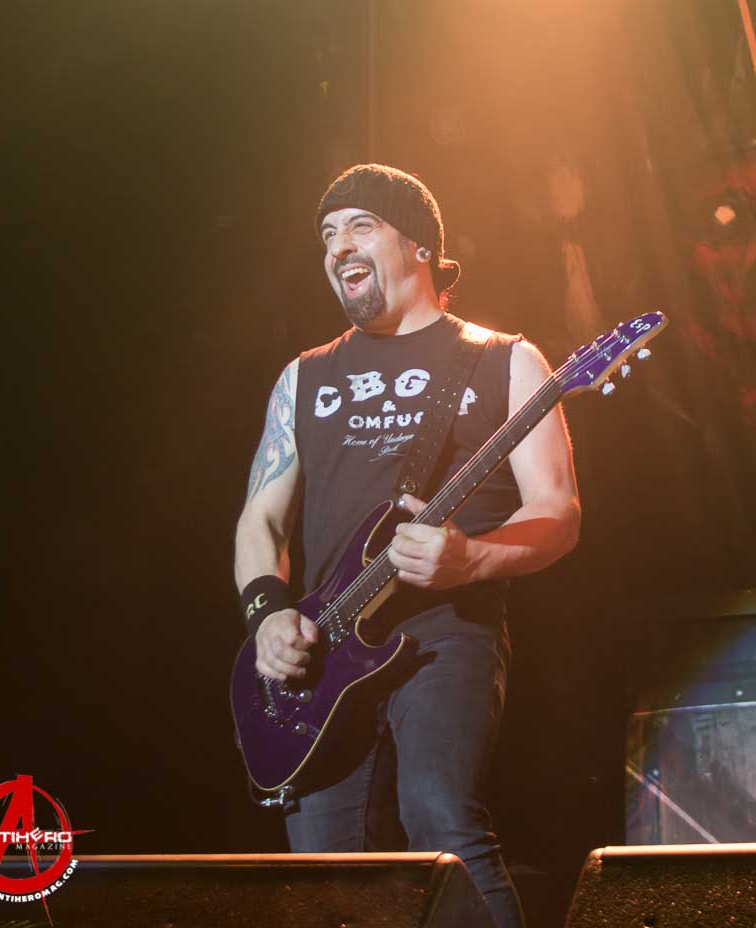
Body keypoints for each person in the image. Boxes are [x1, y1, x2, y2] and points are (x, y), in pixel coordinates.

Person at [234, 164, 580, 928]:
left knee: (442, 819)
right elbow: (261, 521)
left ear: (419, 245)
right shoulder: (305, 377)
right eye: (328, 234)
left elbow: (558, 512)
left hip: (444, 629)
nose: (338, 246)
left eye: (360, 225)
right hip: (325, 649)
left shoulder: (504, 358)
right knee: (327, 878)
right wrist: (268, 616)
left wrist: (474, 559)